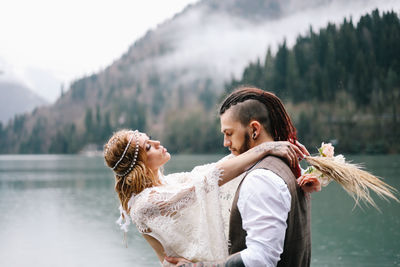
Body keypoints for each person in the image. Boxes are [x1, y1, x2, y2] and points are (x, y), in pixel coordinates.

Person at [103, 129, 307, 266]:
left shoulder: (168, 183)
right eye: (148, 147)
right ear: (138, 164)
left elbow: (207, 171)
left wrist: (273, 145)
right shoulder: (144, 204)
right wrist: (265, 148)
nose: (157, 143)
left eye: (151, 140)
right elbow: (207, 181)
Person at [167, 87, 311, 267]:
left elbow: (260, 259)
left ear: (254, 129)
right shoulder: (285, 165)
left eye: (229, 133)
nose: (225, 143)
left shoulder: (260, 180)